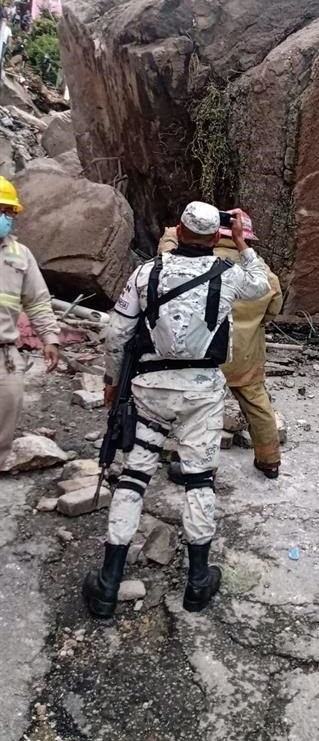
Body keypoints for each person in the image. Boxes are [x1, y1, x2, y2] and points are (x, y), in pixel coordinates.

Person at [82, 203, 269, 619]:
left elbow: (118, 331)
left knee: (133, 477)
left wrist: (113, 382)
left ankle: (108, 585)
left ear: (180, 231)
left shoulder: (146, 272)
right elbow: (262, 287)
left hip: (149, 388)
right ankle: (198, 583)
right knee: (200, 481)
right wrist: (242, 244)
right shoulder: (230, 274)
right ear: (216, 237)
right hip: (202, 392)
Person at [159, 210, 284, 479]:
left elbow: (165, 265)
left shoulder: (200, 265)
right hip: (245, 357)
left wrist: (170, 236)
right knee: (258, 406)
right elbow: (272, 312)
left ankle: (198, 465)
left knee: (199, 413)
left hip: (203, 354)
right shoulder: (264, 275)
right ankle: (269, 460)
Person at [0, 177, 60, 469]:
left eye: (8, 212)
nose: (5, 218)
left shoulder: (19, 255)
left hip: (4, 354)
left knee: (7, 410)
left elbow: (37, 300)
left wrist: (49, 338)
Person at [0, 9, 12, 81]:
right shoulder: (0, 27)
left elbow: (10, 37)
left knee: (1, 56)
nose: (4, 21)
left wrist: (9, 44)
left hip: (3, 43)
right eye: (3, 20)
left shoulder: (8, 29)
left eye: (5, 20)